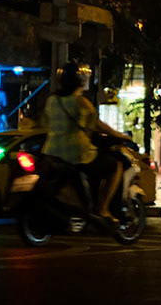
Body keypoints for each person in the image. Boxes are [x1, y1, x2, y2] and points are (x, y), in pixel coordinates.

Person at [42, 61, 130, 227]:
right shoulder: (81, 102)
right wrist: (120, 135)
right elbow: (98, 124)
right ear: (80, 81)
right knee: (115, 166)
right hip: (77, 152)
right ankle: (103, 209)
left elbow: (46, 123)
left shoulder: (51, 101)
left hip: (51, 151)